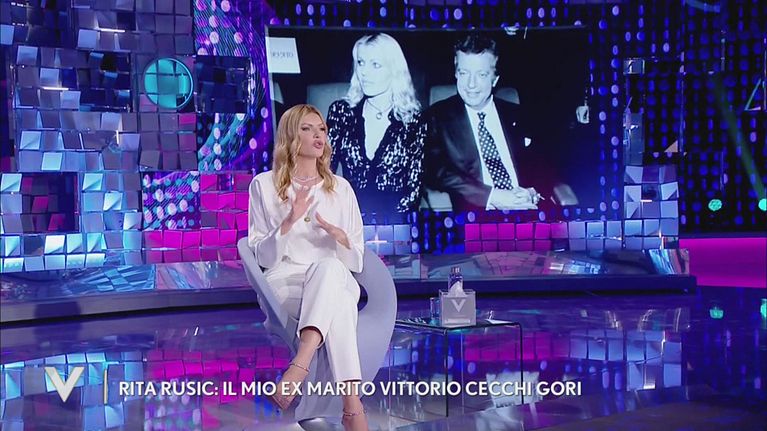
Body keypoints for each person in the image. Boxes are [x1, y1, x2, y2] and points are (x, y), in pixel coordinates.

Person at [248, 104, 368, 431]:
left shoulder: (340, 188)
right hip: (288, 282)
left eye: (322, 129)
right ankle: (352, 408)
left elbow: (357, 258)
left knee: (330, 269)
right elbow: (262, 257)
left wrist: (340, 238)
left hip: (337, 276)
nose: (318, 135)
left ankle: (299, 365)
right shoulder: (264, 185)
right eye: (307, 128)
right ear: (291, 135)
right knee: (340, 305)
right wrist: (288, 222)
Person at [424, 33, 544, 213]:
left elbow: (543, 163)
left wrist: (533, 191)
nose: (471, 84)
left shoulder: (517, 114)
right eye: (464, 73)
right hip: (476, 215)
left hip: (528, 210)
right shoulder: (436, 117)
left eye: (481, 74)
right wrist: (493, 197)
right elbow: (436, 172)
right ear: (456, 73)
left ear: (495, 79)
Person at [327, 32, 427, 215]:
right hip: (348, 219)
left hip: (396, 221)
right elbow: (323, 173)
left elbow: (414, 192)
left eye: (375, 65)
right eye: (361, 62)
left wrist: (385, 226)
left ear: (394, 70)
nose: (364, 72)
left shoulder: (413, 121)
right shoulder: (341, 112)